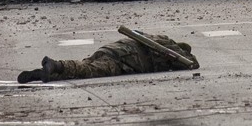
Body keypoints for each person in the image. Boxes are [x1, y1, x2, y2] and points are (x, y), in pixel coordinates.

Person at [17, 31, 199, 83]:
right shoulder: (172, 50)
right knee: (89, 70)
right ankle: (56, 65)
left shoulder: (158, 38)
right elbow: (193, 64)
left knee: (85, 67)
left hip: (111, 50)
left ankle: (45, 73)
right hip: (124, 60)